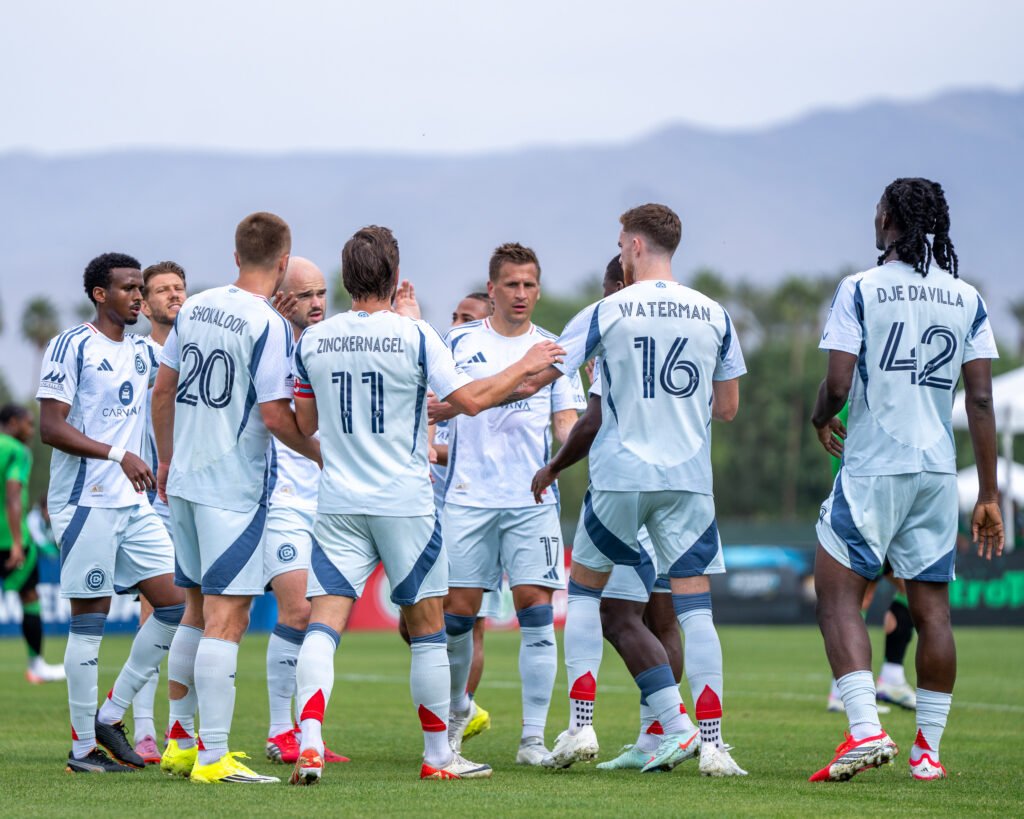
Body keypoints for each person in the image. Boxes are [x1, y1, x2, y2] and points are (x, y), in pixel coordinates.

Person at [288, 225, 564, 784]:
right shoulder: (415, 336)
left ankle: (310, 741)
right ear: (394, 275)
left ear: (345, 278)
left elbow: (306, 421)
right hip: (405, 503)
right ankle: (438, 755)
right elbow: (470, 400)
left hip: (339, 501)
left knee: (323, 626)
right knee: (429, 629)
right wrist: (525, 363)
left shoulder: (313, 340)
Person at [509, 204, 748, 776]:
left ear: (636, 245)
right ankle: (713, 746)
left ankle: (582, 726)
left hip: (620, 476)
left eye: (621, 245)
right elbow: (728, 408)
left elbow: (546, 374)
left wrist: (486, 391)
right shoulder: (714, 313)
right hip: (688, 480)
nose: (620, 254)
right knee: (695, 609)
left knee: (586, 595)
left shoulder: (608, 309)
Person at [809, 177, 1003, 782]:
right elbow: (980, 400)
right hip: (937, 472)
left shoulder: (859, 287)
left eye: (878, 211)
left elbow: (838, 383)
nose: (874, 219)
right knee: (933, 612)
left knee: (836, 595)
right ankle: (928, 754)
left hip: (873, 464)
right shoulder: (967, 297)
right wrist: (989, 493)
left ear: (889, 219)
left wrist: (819, 416)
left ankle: (865, 730)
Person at [152, 212, 321, 784]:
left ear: (235, 256)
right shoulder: (267, 323)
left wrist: (166, 459)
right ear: (283, 262)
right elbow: (275, 415)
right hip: (232, 490)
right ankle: (213, 756)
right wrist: (321, 454)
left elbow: (163, 391)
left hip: (184, 481)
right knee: (229, 617)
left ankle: (179, 741)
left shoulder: (195, 305)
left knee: (196, 610)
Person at [531, 256, 691, 771]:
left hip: (625, 487)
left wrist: (554, 466)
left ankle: (594, 726)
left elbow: (592, 420)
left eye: (607, 288)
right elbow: (724, 405)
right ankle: (660, 737)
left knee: (603, 608)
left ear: (621, 285)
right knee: (665, 617)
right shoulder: (693, 320)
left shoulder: (616, 329)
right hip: (682, 486)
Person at [37, 252, 185, 774]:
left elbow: (182, 365)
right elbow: (50, 427)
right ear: (100, 294)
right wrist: (119, 454)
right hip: (86, 502)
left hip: (133, 504)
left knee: (176, 605)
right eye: (128, 288)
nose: (138, 297)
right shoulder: (72, 345)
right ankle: (82, 751)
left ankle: (110, 714)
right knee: (90, 623)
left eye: (141, 289)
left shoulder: (143, 352)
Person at [440, 243, 586, 766]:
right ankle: (453, 724)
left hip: (531, 501)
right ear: (492, 288)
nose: (521, 293)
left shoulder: (554, 349)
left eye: (529, 285)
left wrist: (566, 457)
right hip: (467, 499)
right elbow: (442, 405)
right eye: (511, 284)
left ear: (538, 290)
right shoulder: (460, 342)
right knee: (458, 618)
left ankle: (532, 741)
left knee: (537, 614)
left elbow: (566, 422)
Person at [262, 257, 348, 767]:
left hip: (331, 501)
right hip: (283, 499)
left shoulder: (329, 346)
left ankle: (307, 727)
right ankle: (280, 731)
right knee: (295, 611)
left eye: (321, 293)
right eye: (304, 295)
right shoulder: (269, 347)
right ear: (281, 298)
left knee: (321, 620)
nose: (317, 304)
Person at [431, 292, 499, 744]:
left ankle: (461, 710)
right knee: (415, 621)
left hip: (474, 509)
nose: (456, 324)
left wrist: (429, 452)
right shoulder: (439, 372)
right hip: (429, 510)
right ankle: (459, 703)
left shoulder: (484, 383)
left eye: (467, 317)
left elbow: (478, 450)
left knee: (469, 621)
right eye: (454, 315)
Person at [128, 260, 188, 764]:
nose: (175, 295)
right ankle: (145, 727)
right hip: (154, 497)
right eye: (164, 290)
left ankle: (180, 729)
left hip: (199, 495)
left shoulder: (202, 350)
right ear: (144, 304)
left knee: (199, 614)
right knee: (157, 610)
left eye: (180, 288)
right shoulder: (138, 355)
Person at [0, 404, 65, 683]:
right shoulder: (17, 451)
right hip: (9, 539)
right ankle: (36, 665)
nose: (31, 430)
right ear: (13, 422)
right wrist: (17, 543)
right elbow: (13, 495)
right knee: (29, 597)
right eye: (28, 424)